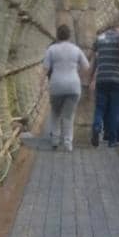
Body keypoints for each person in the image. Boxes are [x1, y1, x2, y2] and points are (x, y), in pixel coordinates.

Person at [88, 17, 119, 148]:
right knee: (115, 109)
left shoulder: (99, 38)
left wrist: (90, 77)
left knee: (100, 107)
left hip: (102, 78)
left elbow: (91, 56)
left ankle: (97, 127)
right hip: (116, 79)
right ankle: (113, 140)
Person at [42, 24, 89, 152]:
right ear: (69, 35)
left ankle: (55, 140)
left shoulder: (51, 50)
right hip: (73, 86)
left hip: (56, 85)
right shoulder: (76, 49)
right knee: (69, 115)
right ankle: (68, 143)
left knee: (55, 113)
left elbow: (45, 68)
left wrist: (42, 84)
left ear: (57, 35)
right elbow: (86, 66)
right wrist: (77, 75)